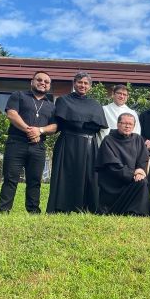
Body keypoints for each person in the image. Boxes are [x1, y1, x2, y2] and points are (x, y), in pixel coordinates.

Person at [47, 71, 108, 213]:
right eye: (80, 82)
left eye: (86, 83)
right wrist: (83, 124)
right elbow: (62, 122)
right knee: (66, 174)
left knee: (89, 176)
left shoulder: (95, 104)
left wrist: (79, 123)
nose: (82, 85)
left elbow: (98, 126)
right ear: (74, 84)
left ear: (90, 86)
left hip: (89, 144)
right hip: (68, 142)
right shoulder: (63, 100)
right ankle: (62, 207)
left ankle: (87, 207)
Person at [0, 71, 57, 214]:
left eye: (46, 82)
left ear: (49, 86)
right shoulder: (18, 95)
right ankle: (4, 210)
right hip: (16, 143)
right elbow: (11, 114)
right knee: (10, 178)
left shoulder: (51, 106)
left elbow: (55, 126)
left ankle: (33, 211)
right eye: (40, 80)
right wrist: (30, 131)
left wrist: (40, 131)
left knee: (35, 180)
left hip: (38, 147)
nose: (43, 83)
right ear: (32, 82)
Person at [96, 113, 150, 216]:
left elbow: (142, 160)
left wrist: (140, 171)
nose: (127, 126)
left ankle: (136, 213)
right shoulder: (108, 140)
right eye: (124, 123)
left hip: (132, 179)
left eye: (130, 124)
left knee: (142, 182)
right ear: (118, 124)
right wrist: (133, 173)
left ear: (134, 126)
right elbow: (111, 166)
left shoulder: (138, 139)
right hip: (113, 184)